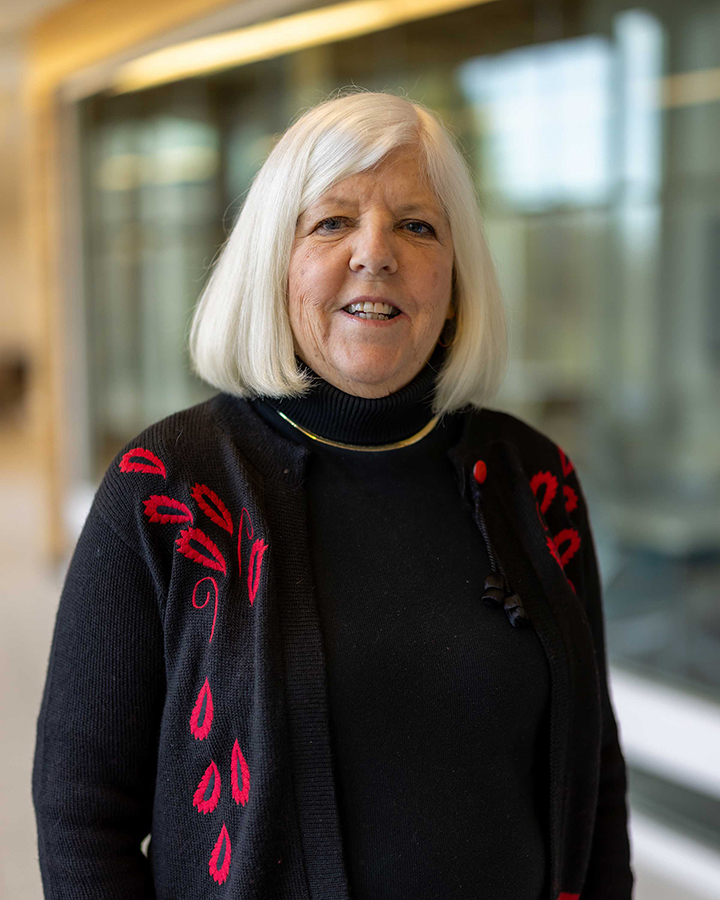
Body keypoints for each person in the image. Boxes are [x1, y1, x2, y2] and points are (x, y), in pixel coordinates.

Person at [32, 89, 634, 900]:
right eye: (331, 221)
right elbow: (82, 814)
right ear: (273, 262)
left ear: (455, 274)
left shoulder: (538, 481)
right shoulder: (169, 487)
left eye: (417, 225)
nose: (375, 253)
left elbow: (593, 771)